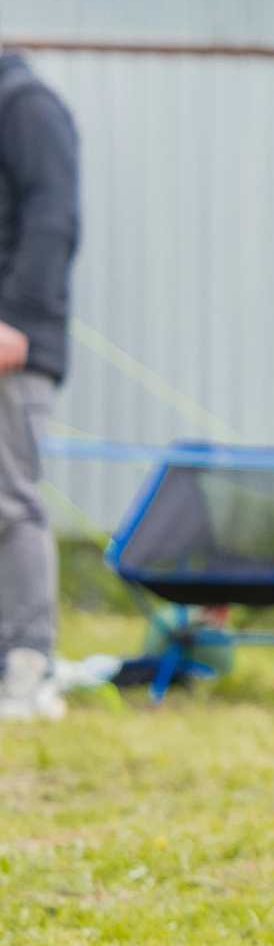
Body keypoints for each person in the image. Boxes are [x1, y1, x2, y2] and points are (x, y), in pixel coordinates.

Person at [0, 44, 79, 724]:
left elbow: (53, 217)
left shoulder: (23, 103)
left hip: (11, 344)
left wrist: (15, 320)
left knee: (10, 502)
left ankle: (30, 666)